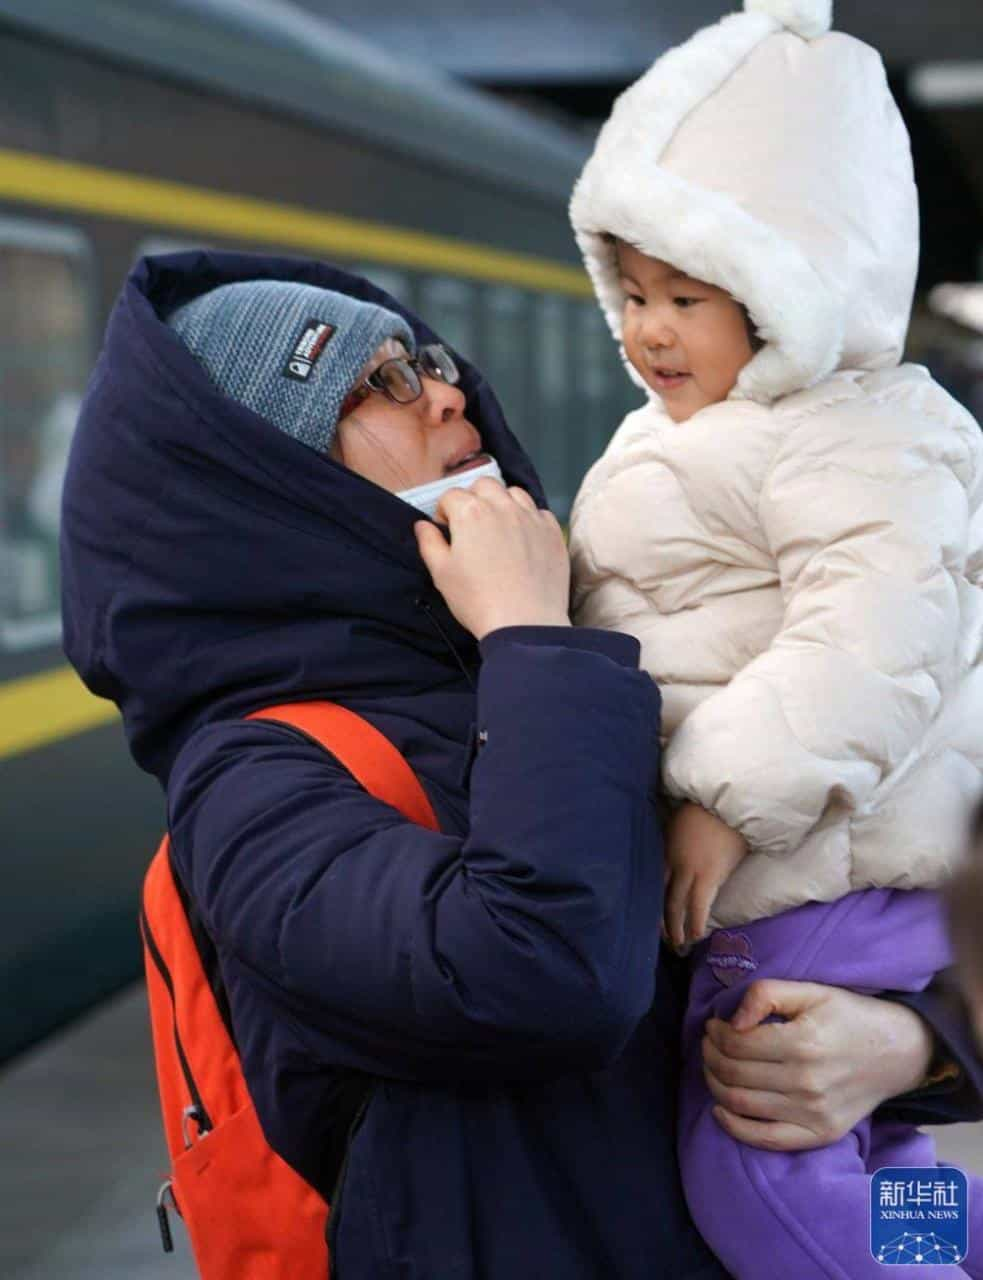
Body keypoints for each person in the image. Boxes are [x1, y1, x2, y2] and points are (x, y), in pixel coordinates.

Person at [61, 250, 983, 1279]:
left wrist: (912, 1046)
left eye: (427, 359)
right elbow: (540, 976)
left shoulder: (583, 646)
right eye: (381, 383)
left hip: (787, 1208)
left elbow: (867, 910)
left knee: (925, 1225)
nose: (447, 390)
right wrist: (528, 637)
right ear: (276, 481)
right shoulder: (254, 778)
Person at [567, 0, 983, 1275]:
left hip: (819, 876)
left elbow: (872, 636)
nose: (644, 327)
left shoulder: (865, 431)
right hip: (790, 876)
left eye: (685, 295)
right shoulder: (677, 434)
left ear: (797, 286)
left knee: (752, 1168)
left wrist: (715, 800)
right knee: (867, 1153)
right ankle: (945, 1251)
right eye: (630, 289)